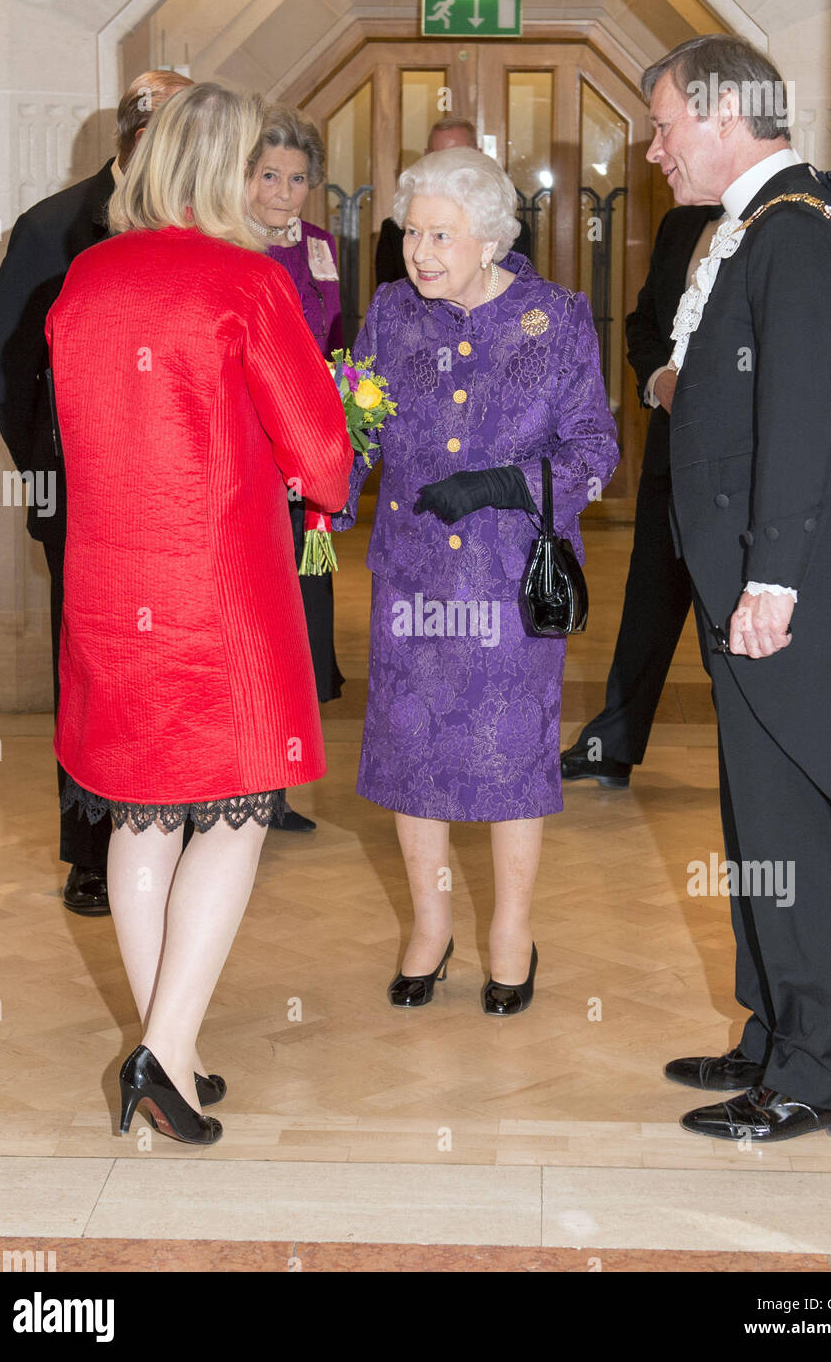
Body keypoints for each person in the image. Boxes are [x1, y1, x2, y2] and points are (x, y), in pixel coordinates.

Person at [45, 83, 352, 1144]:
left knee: (139, 813)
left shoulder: (83, 279)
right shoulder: (245, 282)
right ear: (224, 170)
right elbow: (320, 452)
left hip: (104, 583)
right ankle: (163, 1050)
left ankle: (170, 1048)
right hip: (219, 591)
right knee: (235, 810)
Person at [639, 35, 831, 1141]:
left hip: (780, 583)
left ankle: (823, 1070)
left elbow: (803, 417)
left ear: (721, 113)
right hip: (757, 573)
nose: (655, 149)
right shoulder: (773, 221)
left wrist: (771, 580)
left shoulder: (795, 235)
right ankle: (773, 1032)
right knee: (758, 817)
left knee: (792, 825)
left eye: (665, 125)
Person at [335, 146, 618, 1016]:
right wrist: (319, 500)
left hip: (509, 582)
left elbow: (595, 452)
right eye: (411, 232)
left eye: (440, 236)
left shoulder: (556, 320)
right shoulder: (390, 312)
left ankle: (510, 934)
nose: (419, 252)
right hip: (413, 578)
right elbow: (357, 429)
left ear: (489, 240)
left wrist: (502, 487)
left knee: (509, 761)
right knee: (412, 755)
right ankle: (429, 927)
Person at [0, 70, 193, 917]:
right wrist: (56, 467)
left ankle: (172, 826)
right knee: (94, 673)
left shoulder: (203, 230)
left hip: (182, 508)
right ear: (138, 138)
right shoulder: (54, 226)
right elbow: (5, 363)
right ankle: (93, 848)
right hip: (86, 500)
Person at [560, 202, 721, 788]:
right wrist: (659, 380)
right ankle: (612, 743)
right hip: (670, 448)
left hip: (738, 470)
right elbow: (641, 324)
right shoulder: (679, 225)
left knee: (730, 623)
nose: (662, 155)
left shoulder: (777, 217)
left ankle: (767, 763)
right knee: (649, 600)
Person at [245, 104, 345, 832]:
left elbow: (334, 337)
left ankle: (275, 787)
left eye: (298, 178)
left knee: (297, 625)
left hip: (302, 459)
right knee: (250, 619)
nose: (283, 192)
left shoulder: (319, 246)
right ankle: (239, 781)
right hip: (247, 455)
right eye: (270, 175)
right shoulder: (229, 244)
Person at [374, 117, 532, 285]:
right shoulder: (395, 231)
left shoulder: (508, 232)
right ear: (426, 155)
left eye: (460, 155)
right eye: (439, 155)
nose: (450, 165)